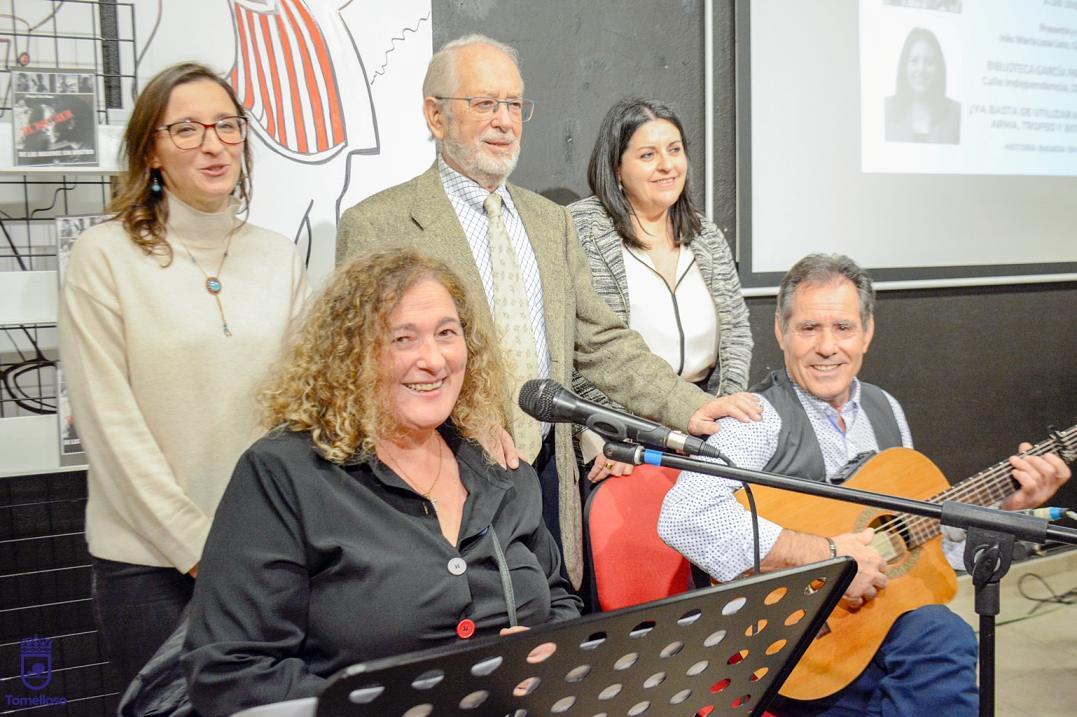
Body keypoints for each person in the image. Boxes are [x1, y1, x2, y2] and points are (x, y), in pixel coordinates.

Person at [335, 34, 760, 587]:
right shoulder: (379, 224)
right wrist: (464, 420)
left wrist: (688, 408)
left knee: (549, 635)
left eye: (514, 104)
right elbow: (361, 368)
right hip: (436, 480)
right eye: (484, 103)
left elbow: (600, 340)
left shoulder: (549, 222)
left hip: (546, 475)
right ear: (435, 117)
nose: (504, 120)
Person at [659, 253, 1071, 716]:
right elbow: (683, 516)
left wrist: (1008, 507)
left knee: (936, 644)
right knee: (944, 643)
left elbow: (917, 542)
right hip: (795, 638)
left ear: (868, 333)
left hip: (871, 627)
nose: (827, 347)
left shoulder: (885, 409)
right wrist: (828, 554)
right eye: (809, 328)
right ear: (781, 332)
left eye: (844, 328)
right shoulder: (757, 418)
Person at [181, 248, 581, 716]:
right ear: (350, 355)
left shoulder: (501, 472)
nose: (432, 359)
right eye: (402, 339)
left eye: (447, 334)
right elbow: (231, 671)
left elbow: (559, 601)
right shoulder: (285, 474)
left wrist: (548, 649)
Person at [58, 62, 309, 688]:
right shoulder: (104, 256)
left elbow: (306, 404)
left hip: (266, 556)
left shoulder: (279, 256)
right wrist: (200, 549)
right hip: (150, 567)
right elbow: (110, 427)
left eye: (226, 125)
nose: (213, 143)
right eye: (188, 129)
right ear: (151, 149)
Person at [569, 97, 755, 482]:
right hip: (621, 440)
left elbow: (736, 334)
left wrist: (718, 412)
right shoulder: (580, 231)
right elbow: (579, 350)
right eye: (648, 155)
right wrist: (632, 430)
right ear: (616, 168)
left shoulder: (706, 236)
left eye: (674, 150)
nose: (667, 165)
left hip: (702, 429)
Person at [884, 27, 960, 144]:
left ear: (939, 68)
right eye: (914, 61)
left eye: (929, 62)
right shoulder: (886, 109)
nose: (921, 69)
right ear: (904, 66)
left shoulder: (956, 113)